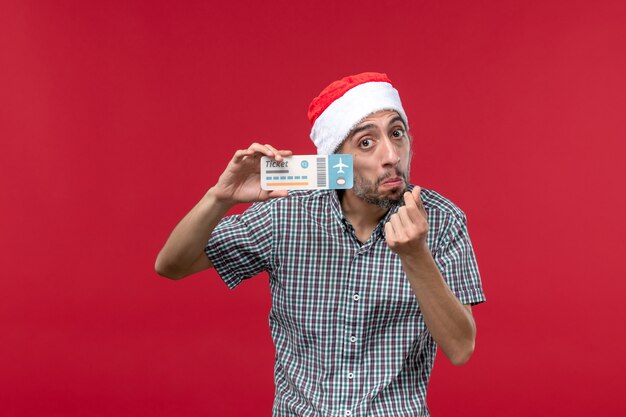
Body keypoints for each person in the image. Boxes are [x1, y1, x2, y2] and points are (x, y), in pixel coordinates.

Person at [155, 72, 485, 416]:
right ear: (335, 162)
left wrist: (416, 256)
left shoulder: (443, 219)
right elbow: (171, 265)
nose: (391, 155)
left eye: (397, 133)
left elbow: (461, 347)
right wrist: (220, 198)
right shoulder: (288, 214)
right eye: (366, 143)